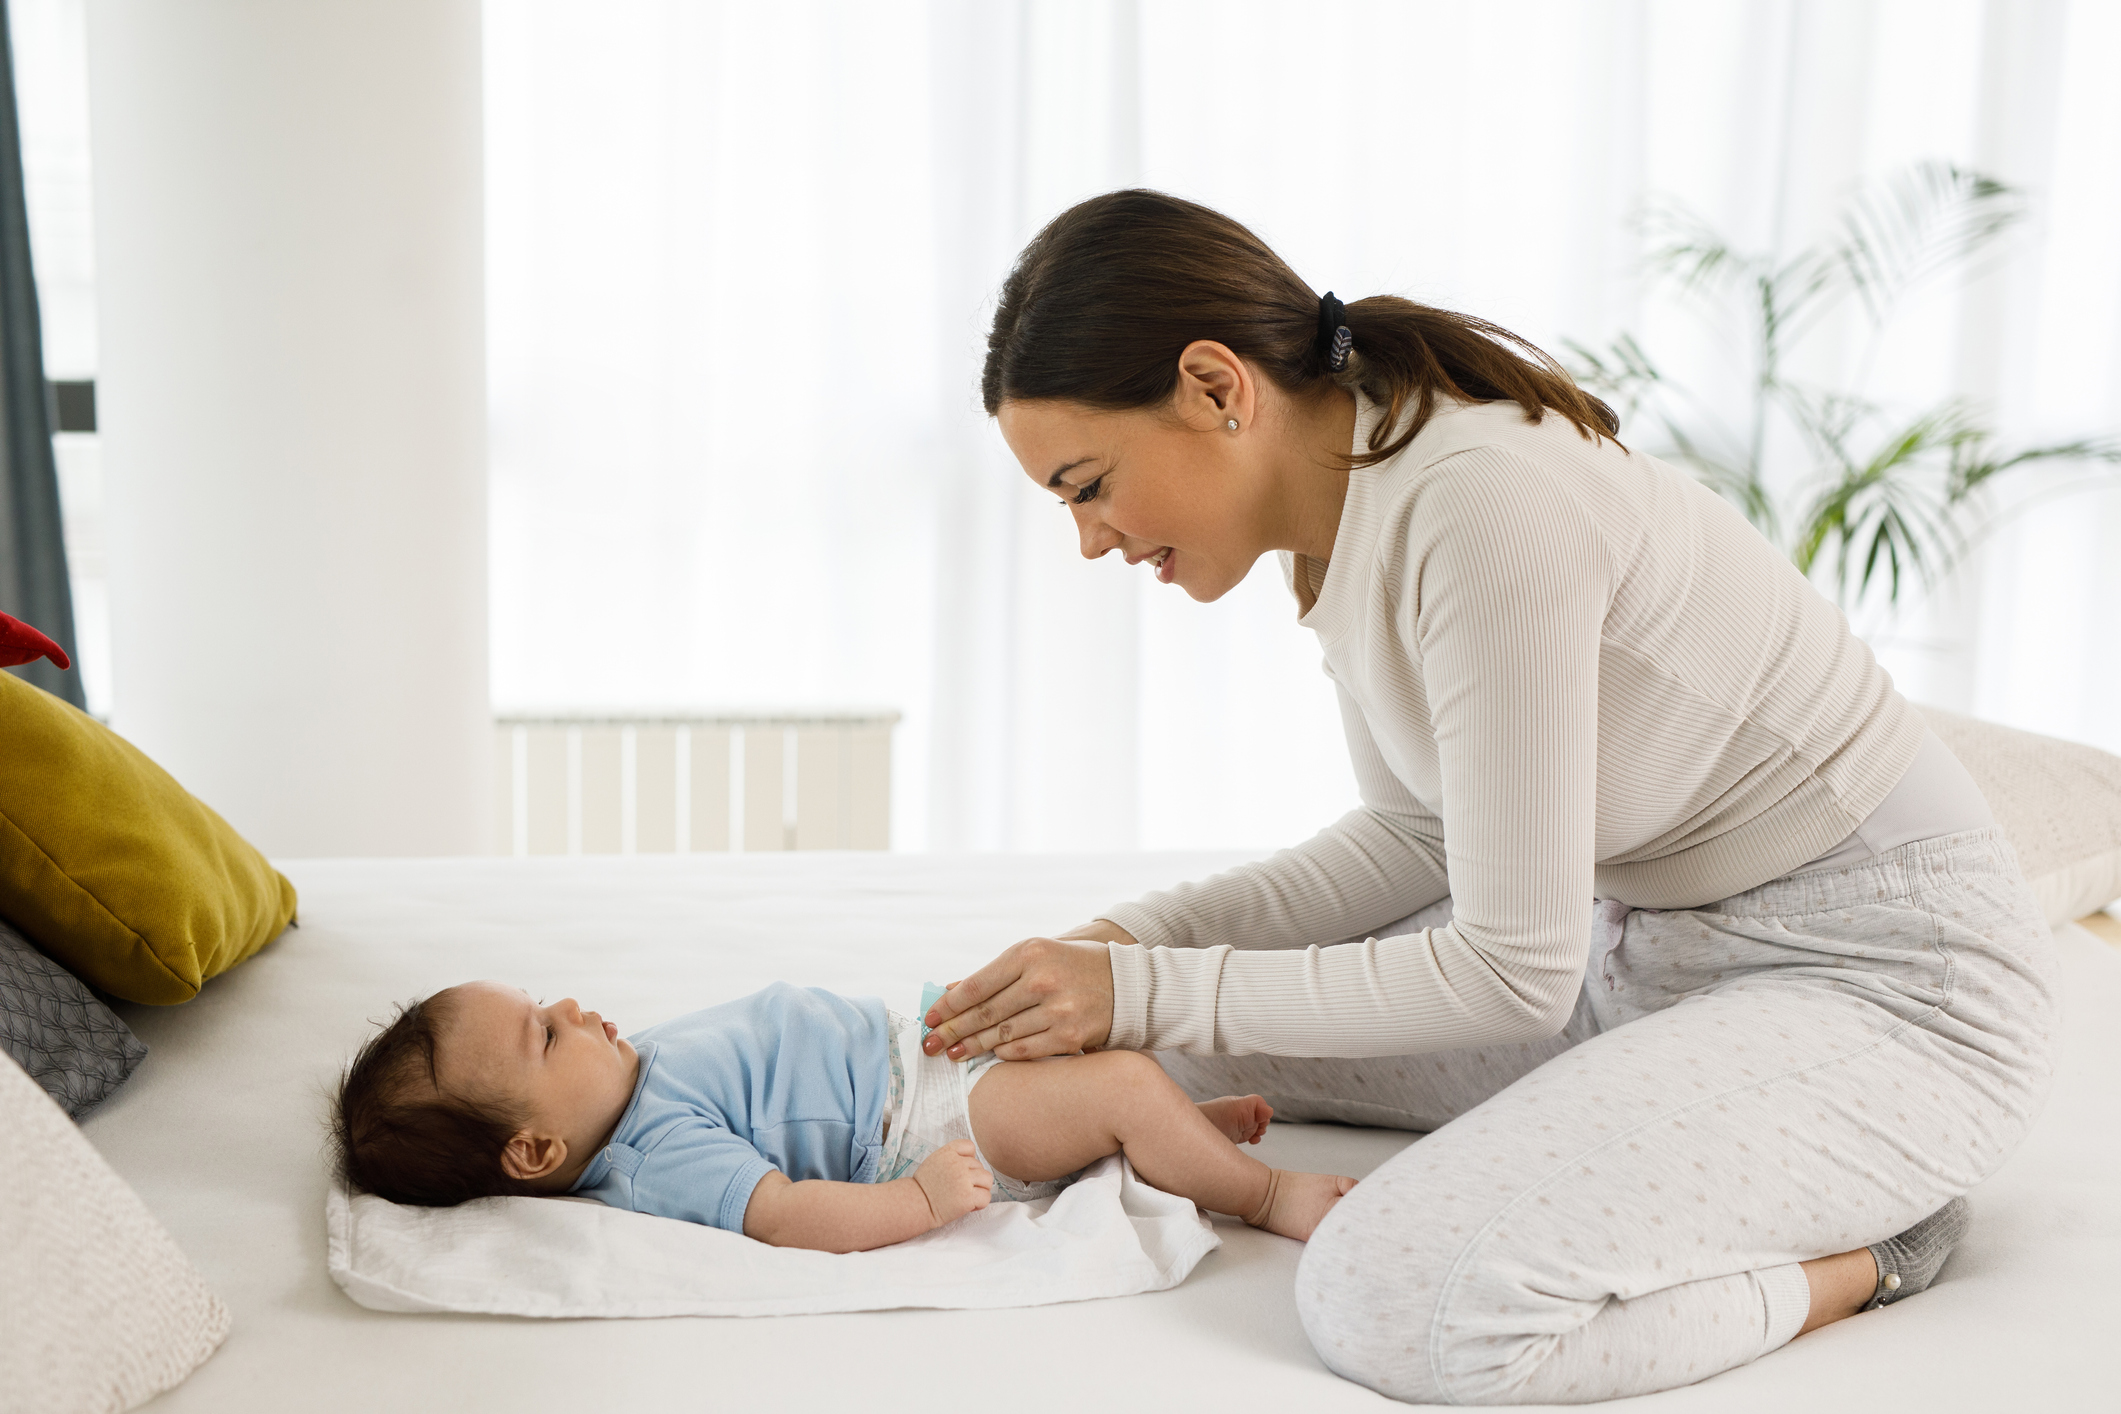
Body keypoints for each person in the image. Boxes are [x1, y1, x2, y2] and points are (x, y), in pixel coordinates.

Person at [925, 188, 2057, 1404]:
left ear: (1215, 386)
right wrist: (1132, 949)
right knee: (1144, 1052)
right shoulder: (1347, 515)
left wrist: (1144, 978)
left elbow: (1513, 970)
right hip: (1653, 955)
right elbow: (1420, 833)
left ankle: (1875, 1255)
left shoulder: (1482, 501)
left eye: (1086, 484)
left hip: (1886, 986)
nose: (1090, 540)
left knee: (1396, 1301)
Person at [330, 979, 1357, 1249]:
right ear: (538, 1149)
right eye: (543, 1038)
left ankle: (1167, 1141)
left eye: (543, 999)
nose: (568, 1010)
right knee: (1123, 1081)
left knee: (1081, 1040)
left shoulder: (622, 1079)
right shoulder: (651, 1158)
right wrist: (915, 1199)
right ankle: (1262, 1194)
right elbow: (784, 1213)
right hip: (918, 1123)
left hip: (915, 1056)